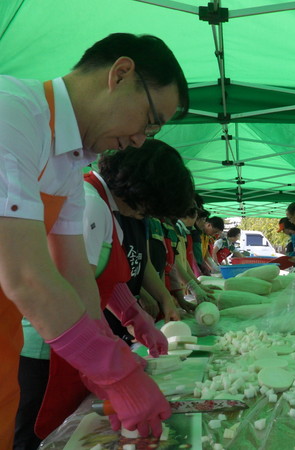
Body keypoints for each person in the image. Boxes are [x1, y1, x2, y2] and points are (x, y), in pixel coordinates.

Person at [0, 32, 188, 447]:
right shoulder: (10, 114)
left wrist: (110, 347)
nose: (141, 139)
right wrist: (113, 371)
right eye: (150, 121)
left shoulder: (68, 160)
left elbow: (75, 275)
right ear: (120, 74)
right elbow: (25, 275)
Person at [16, 140, 195, 446]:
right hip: (49, 348)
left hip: (75, 338)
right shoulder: (90, 204)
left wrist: (133, 316)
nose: (145, 217)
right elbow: (71, 288)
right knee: (40, 436)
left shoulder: (106, 208)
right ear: (143, 193)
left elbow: (101, 278)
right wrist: (112, 365)